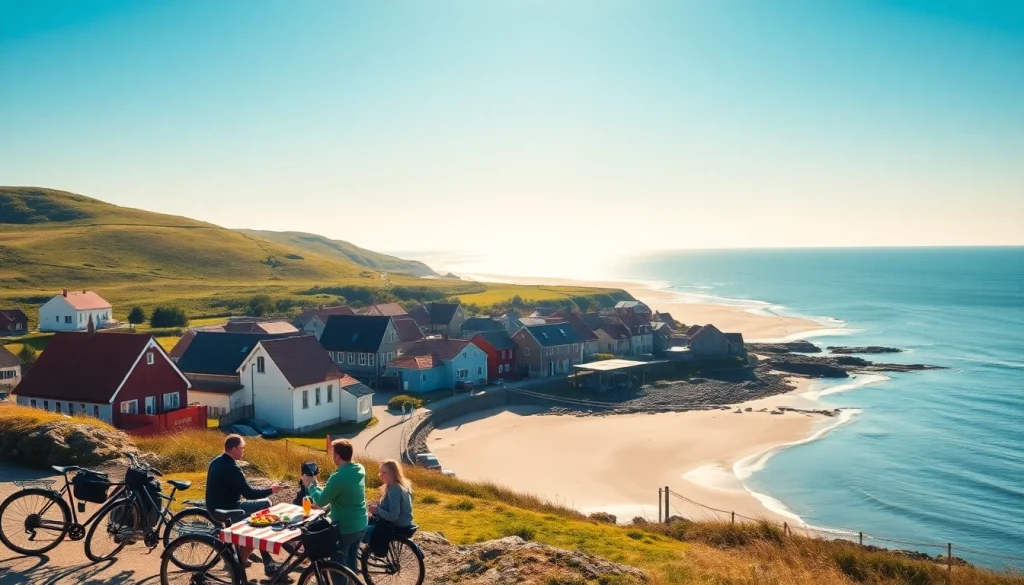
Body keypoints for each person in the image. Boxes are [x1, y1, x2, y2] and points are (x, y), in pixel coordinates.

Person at [206, 434, 282, 576]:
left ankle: (244, 557)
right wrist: (270, 490)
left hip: (214, 506)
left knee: (259, 516)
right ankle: (266, 563)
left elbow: (239, 487)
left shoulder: (216, 461)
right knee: (263, 512)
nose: (243, 451)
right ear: (234, 449)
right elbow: (249, 494)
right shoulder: (233, 468)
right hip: (229, 509)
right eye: (242, 448)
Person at [301, 439, 367, 576]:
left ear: (337, 456)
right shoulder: (360, 469)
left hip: (345, 528)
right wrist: (317, 486)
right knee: (351, 562)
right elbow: (341, 493)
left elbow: (320, 502)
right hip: (361, 524)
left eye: (333, 454)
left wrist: (311, 485)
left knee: (337, 567)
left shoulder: (338, 477)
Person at [364, 459, 414, 555]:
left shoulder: (394, 489)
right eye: (380, 472)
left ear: (392, 473)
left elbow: (393, 516)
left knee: (359, 532)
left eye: (384, 472)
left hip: (396, 525)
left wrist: (377, 510)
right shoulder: (399, 485)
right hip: (405, 522)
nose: (380, 474)